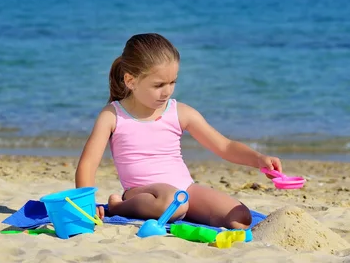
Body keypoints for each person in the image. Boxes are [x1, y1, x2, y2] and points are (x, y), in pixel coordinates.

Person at [75, 33, 282, 229]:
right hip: (142, 194)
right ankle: (119, 205)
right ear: (131, 81)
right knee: (174, 203)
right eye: (158, 85)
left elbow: (224, 146)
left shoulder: (179, 112)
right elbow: (88, 163)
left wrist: (258, 160)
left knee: (240, 217)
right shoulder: (113, 115)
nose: (167, 91)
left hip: (185, 190)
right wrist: (86, 206)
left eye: (172, 82)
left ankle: (181, 210)